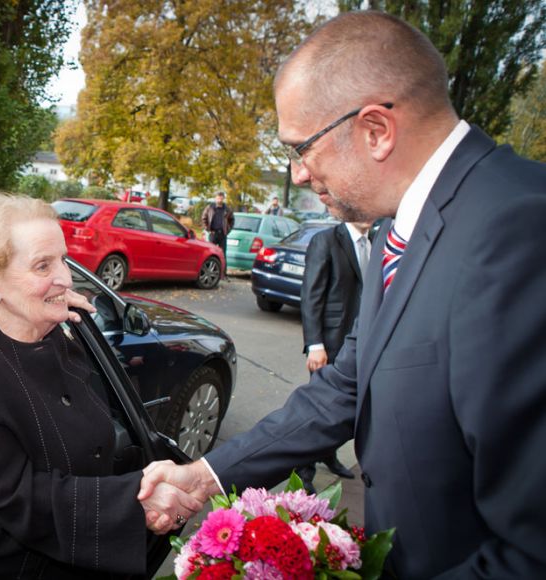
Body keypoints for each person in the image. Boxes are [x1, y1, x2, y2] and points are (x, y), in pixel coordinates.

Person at [139, 10, 546, 578]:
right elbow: (346, 388)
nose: (298, 174)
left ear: (376, 130)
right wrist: (204, 475)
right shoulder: (393, 230)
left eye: (300, 147)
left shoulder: (521, 230)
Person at [0, 192, 199, 579]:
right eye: (42, 265)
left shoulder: (56, 335)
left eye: (63, 260)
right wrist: (138, 501)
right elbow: (19, 498)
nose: (66, 278)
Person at [296, 220, 373, 492]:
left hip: (360, 341)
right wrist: (315, 344)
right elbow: (311, 294)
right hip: (329, 343)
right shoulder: (326, 240)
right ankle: (302, 473)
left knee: (342, 410)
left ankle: (329, 455)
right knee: (318, 409)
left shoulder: (376, 240)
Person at [200, 191, 234, 277]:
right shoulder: (210, 207)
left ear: (223, 198)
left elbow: (232, 220)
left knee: (223, 254)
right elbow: (204, 218)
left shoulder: (227, 209)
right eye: (218, 197)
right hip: (213, 233)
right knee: (210, 253)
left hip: (222, 234)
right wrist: (208, 229)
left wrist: (228, 230)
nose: (220, 199)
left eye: (221, 197)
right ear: (215, 198)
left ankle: (223, 274)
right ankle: (208, 271)